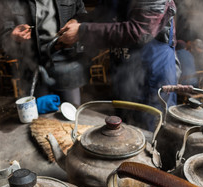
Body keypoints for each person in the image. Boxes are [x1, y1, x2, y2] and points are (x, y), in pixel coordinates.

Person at [58, 0, 178, 131]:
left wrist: (82, 31)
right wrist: (79, 20)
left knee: (153, 134)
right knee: (122, 132)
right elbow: (104, 12)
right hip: (123, 73)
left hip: (152, 74)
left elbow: (140, 31)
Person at [0, 0, 87, 105]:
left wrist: (76, 21)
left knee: (71, 111)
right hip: (33, 66)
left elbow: (82, 14)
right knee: (42, 116)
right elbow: (1, 37)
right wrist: (12, 36)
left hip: (67, 64)